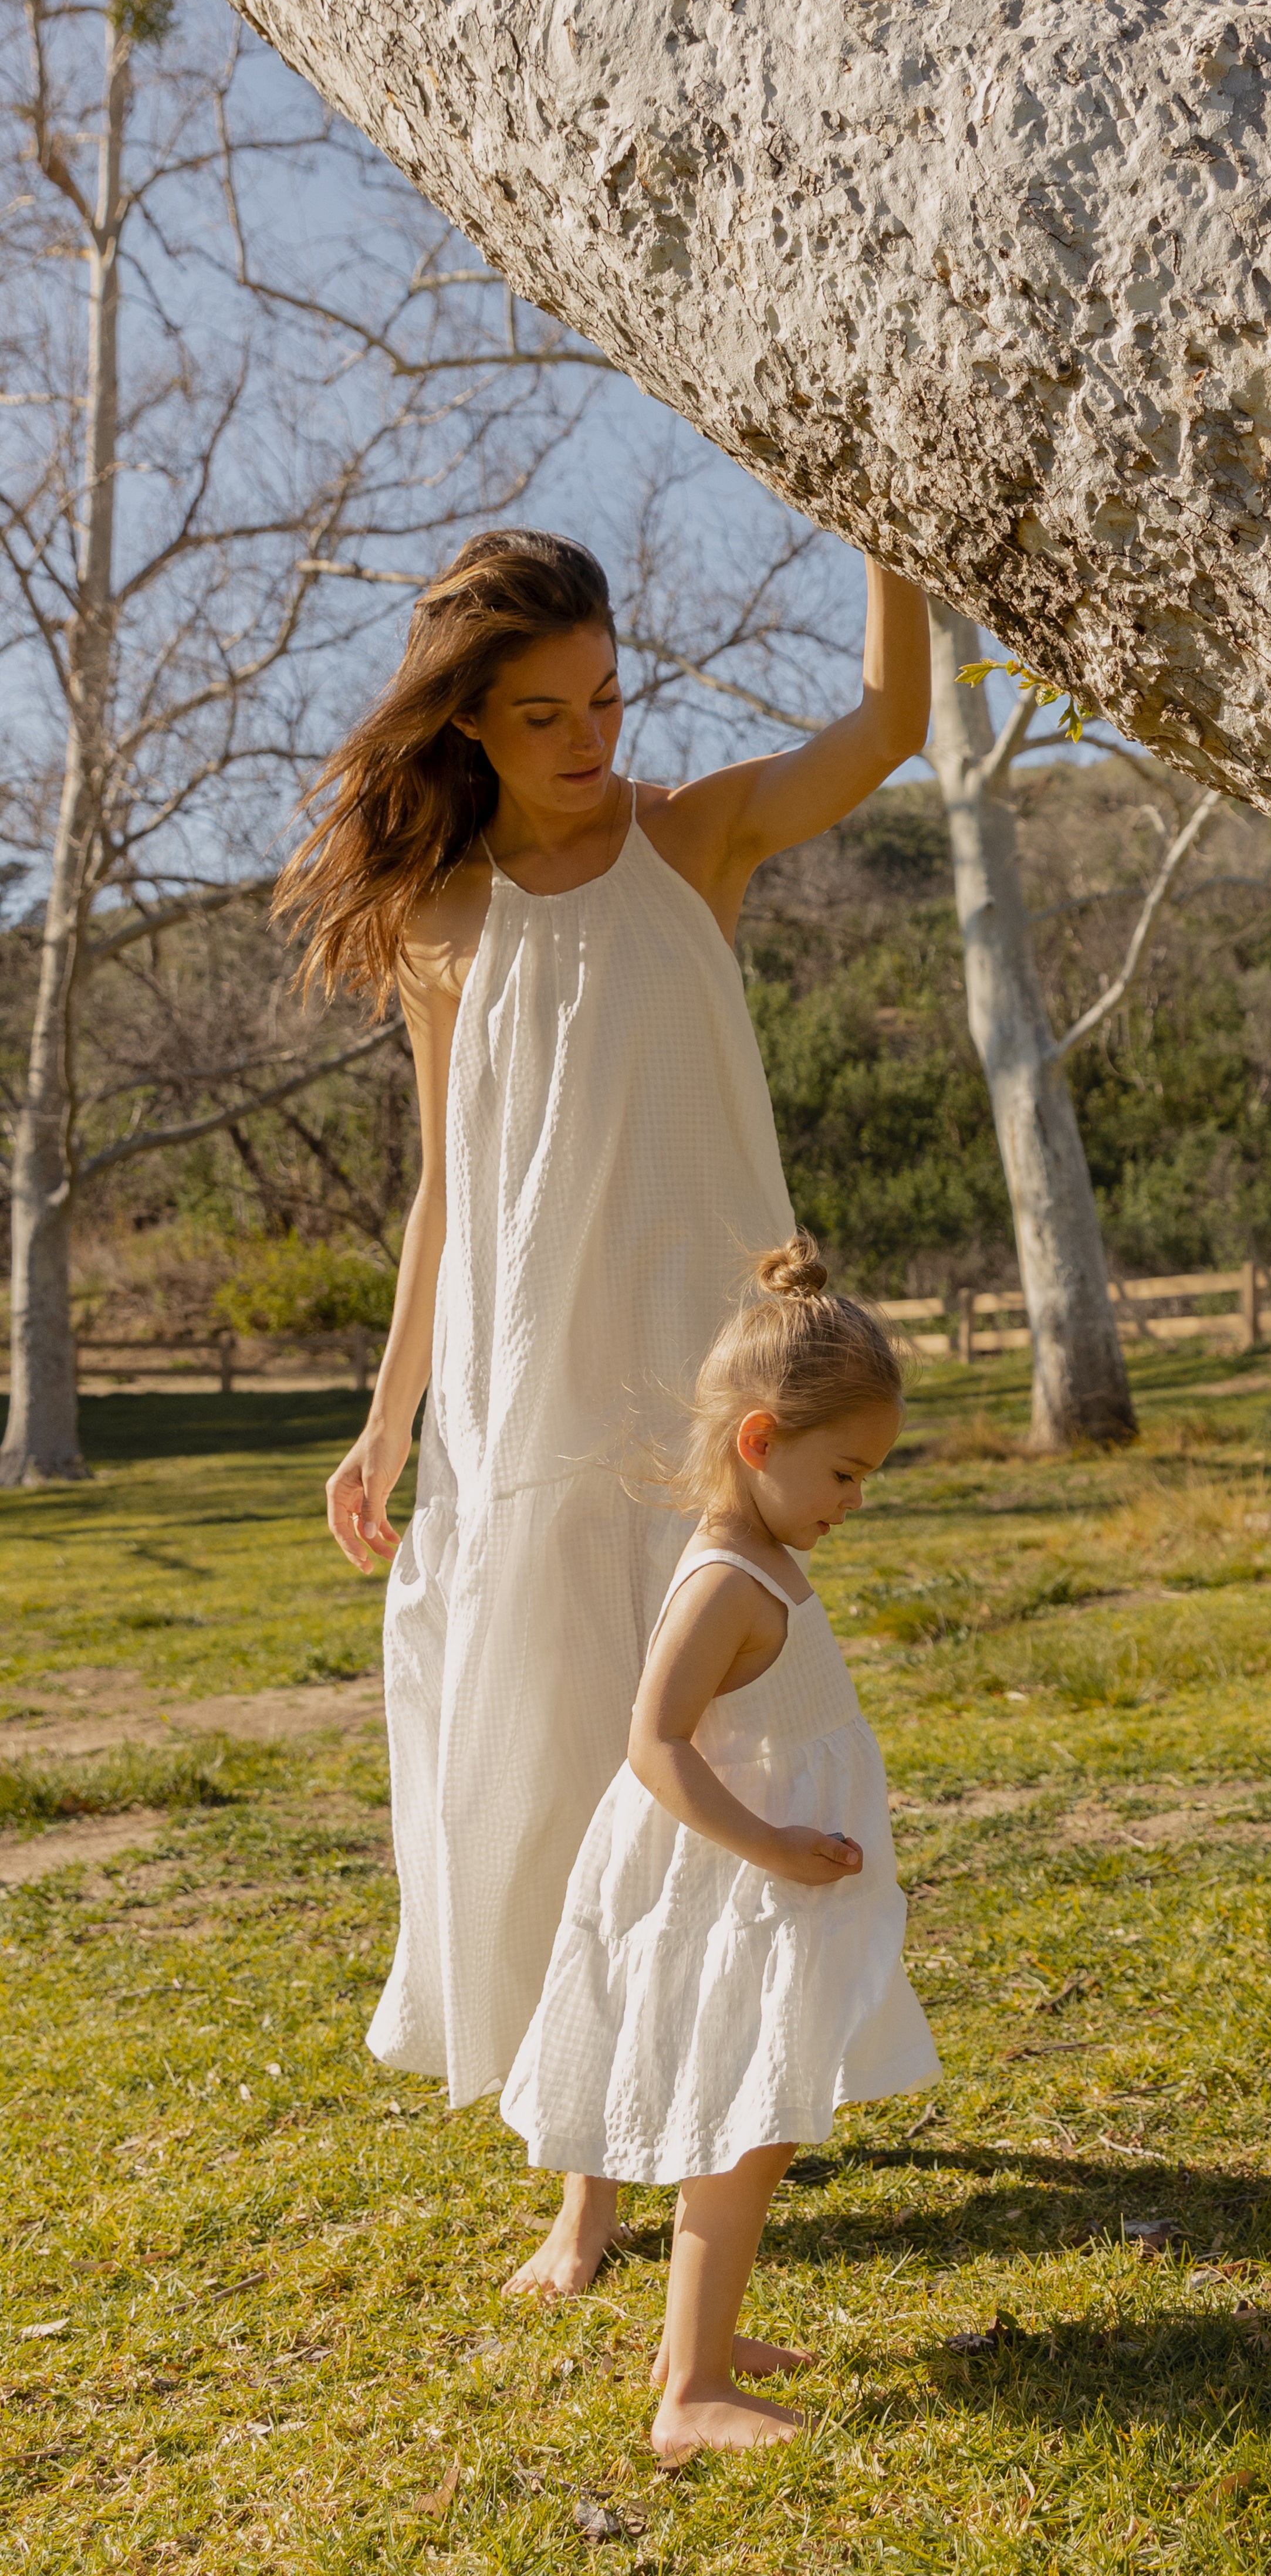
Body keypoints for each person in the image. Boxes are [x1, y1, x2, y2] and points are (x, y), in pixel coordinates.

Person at [275, 531, 929, 2299]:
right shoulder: (440, 919)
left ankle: (724, 2099)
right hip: (526, 1405)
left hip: (700, 1398)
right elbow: (447, 1184)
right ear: (471, 725)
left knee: (710, 1772)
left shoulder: (689, 838)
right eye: (545, 714)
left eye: (610, 698)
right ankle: (587, 2187)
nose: (589, 740)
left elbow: (885, 725)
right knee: (566, 1774)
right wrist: (390, 1418)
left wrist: (881, 521)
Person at [500, 1235, 938, 2455]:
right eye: (845, 1473)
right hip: (728, 1885)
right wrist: (773, 1848)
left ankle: (701, 2332)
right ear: (760, 1442)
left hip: (769, 1878)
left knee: (772, 2113)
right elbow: (653, 1743)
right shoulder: (725, 1585)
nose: (858, 1499)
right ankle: (690, 2392)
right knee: (740, 2129)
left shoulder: (767, 1559)